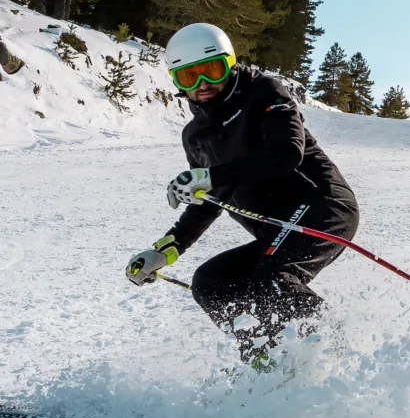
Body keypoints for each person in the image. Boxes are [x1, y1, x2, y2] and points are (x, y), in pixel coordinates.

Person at [124, 21, 360, 348]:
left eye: (212, 70)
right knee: (210, 282)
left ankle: (332, 350)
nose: (203, 84)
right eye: (190, 77)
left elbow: (287, 153)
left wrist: (209, 177)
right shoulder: (195, 136)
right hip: (276, 227)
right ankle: (263, 360)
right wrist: (166, 250)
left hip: (322, 207)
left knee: (274, 282)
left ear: (230, 64)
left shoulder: (263, 92)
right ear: (177, 81)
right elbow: (209, 199)